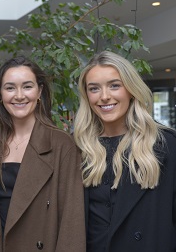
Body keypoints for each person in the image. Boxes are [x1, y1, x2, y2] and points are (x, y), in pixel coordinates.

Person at [0, 56, 86, 251]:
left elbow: (72, 223)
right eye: (10, 88)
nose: (19, 95)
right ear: (0, 95)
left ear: (39, 91)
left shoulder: (61, 145)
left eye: (27, 86)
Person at [73, 50, 176, 252]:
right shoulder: (78, 148)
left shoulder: (166, 144)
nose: (104, 96)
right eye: (94, 89)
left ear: (130, 89)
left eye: (114, 86)